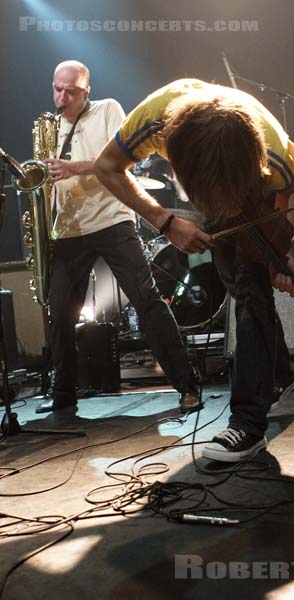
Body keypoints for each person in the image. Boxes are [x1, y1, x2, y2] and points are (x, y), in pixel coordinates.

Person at [95, 78, 294, 461]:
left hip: (248, 186)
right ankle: (282, 372)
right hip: (205, 175)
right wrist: (166, 223)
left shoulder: (271, 152)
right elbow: (107, 167)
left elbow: (292, 192)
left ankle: (247, 423)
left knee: (248, 285)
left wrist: (282, 247)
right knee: (237, 284)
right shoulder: (153, 120)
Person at [36, 62, 200, 414]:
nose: (61, 98)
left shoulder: (109, 109)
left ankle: (188, 385)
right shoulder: (49, 127)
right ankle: (63, 394)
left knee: (147, 301)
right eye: (57, 89)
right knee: (60, 314)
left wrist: (74, 167)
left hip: (112, 220)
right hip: (67, 229)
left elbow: (120, 161)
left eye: (71, 91)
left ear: (86, 91)